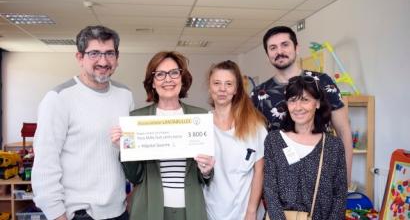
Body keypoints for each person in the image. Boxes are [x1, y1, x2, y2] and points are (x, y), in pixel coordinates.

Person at [31, 25, 134, 220]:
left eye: (109, 53)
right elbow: (45, 164)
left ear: (117, 58)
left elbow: (128, 150)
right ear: (80, 57)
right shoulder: (58, 98)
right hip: (79, 214)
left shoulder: (125, 95)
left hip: (119, 211)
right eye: (94, 53)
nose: (103, 61)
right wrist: (56, 214)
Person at [111, 51, 214, 220]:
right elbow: (134, 176)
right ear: (152, 83)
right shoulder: (137, 119)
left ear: (182, 78)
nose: (168, 79)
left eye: (174, 73)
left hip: (191, 209)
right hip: (149, 208)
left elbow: (206, 178)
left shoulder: (200, 117)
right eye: (160, 74)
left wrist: (207, 171)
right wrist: (123, 148)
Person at [251, 26, 353, 183]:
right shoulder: (259, 94)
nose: (279, 51)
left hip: (321, 176)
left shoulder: (322, 82)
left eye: (285, 44)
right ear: (268, 55)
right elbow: (256, 144)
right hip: (281, 183)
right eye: (273, 48)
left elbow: (344, 130)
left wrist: (344, 179)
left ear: (296, 48)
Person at [264, 75, 347, 220]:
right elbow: (270, 190)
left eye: (305, 100)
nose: (298, 107)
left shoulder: (333, 145)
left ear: (317, 103)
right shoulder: (274, 140)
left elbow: (339, 195)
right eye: (292, 100)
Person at [203, 60, 267, 220]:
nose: (222, 89)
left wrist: (251, 212)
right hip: (210, 211)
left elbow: (259, 171)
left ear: (236, 89)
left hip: (245, 212)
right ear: (210, 87)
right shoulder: (201, 125)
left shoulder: (255, 125)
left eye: (229, 84)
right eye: (217, 83)